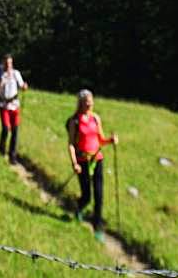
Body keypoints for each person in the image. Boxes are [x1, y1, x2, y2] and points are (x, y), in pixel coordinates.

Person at [67, 88, 118, 241]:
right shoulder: (74, 121)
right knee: (87, 195)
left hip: (97, 159)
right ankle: (79, 208)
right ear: (81, 103)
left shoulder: (96, 118)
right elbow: (70, 144)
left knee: (99, 195)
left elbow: (100, 139)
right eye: (87, 103)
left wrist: (110, 140)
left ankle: (97, 227)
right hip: (82, 160)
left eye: (91, 102)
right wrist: (74, 163)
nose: (90, 105)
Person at [0, 53, 28, 164]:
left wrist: (24, 87)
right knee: (6, 128)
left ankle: (13, 156)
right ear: (3, 63)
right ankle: (2, 148)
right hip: (3, 105)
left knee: (15, 131)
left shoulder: (16, 74)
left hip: (15, 104)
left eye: (10, 63)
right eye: (6, 63)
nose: (8, 65)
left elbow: (22, 86)